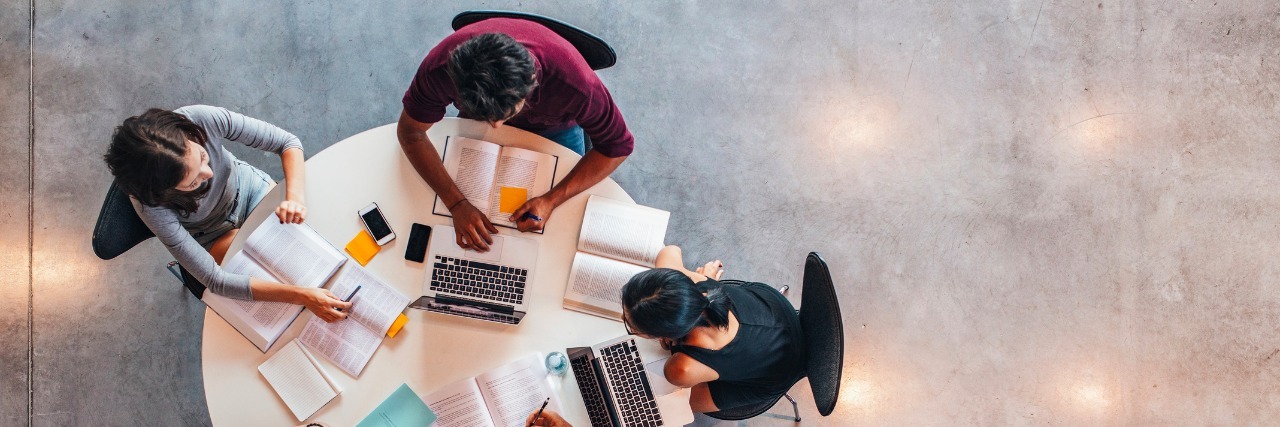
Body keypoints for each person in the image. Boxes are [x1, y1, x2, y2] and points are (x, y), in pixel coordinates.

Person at [398, 18, 635, 252]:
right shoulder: (440, 68)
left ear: (532, 82)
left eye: (505, 114)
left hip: (556, 127)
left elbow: (617, 147)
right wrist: (456, 203)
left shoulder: (576, 86)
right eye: (488, 117)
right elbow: (411, 132)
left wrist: (551, 200)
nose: (496, 127)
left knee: (561, 227)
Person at [103, 105, 351, 322]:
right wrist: (301, 296)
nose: (209, 174)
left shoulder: (199, 118)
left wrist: (294, 198)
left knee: (315, 243)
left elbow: (287, 143)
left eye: (202, 156)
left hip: (251, 191)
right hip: (210, 234)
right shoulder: (150, 205)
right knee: (275, 281)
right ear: (163, 193)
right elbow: (216, 280)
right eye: (193, 182)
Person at [621, 246, 806, 413]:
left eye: (631, 326)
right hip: (775, 311)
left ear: (662, 334)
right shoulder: (694, 282)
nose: (622, 318)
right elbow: (669, 251)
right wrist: (705, 279)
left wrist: (673, 345)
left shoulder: (680, 369)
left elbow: (679, 372)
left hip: (779, 372)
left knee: (673, 405)